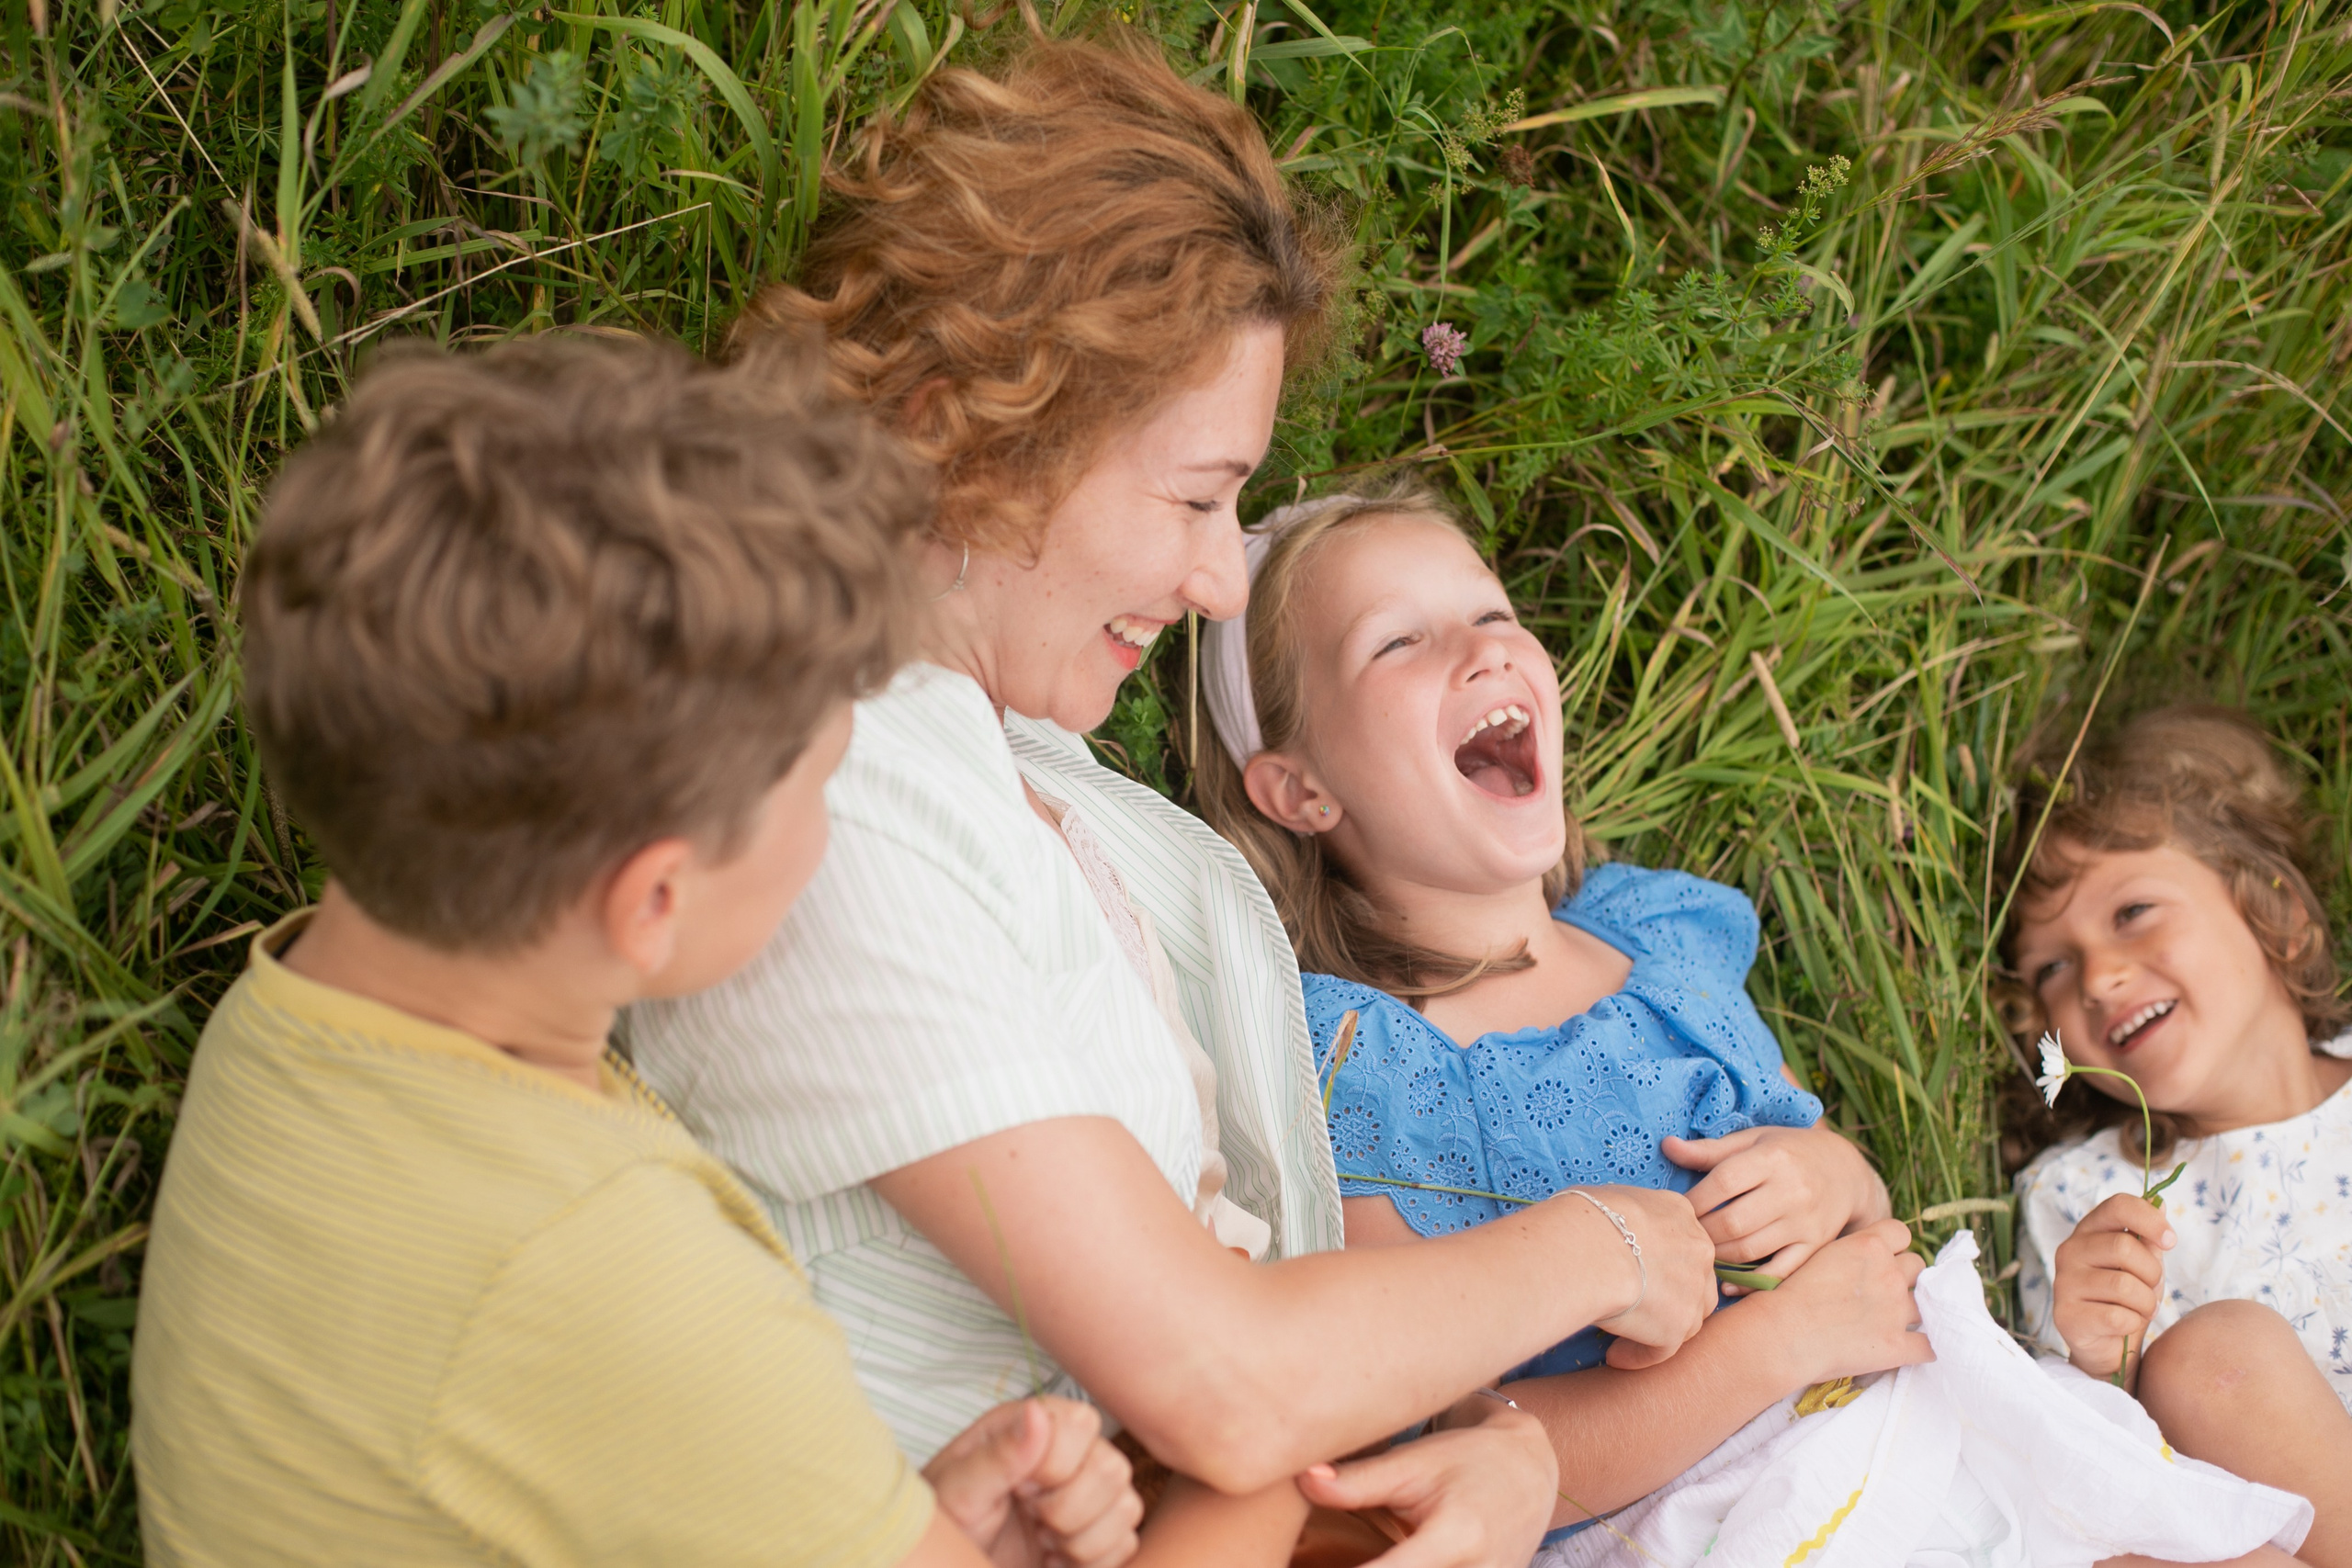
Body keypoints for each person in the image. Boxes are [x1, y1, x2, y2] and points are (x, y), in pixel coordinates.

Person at [626, 35, 1721, 1568]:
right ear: (969, 432)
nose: (1220, 578)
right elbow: (1218, 1380)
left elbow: (1243, 1391)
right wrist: (1606, 1242)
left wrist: (1490, 1459)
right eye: (1199, 496)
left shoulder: (1039, 777)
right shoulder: (822, 794)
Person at [130, 335, 1142, 1568]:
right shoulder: (613, 1267)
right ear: (654, 897)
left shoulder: (302, 1013)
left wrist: (883, 1516)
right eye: (827, 779)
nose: (834, 826)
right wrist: (1257, 1492)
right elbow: (604, 1353)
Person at [1198, 494, 2318, 1568]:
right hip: (1731, 1516)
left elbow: (1850, 1185)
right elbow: (1456, 1438)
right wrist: (1771, 1347)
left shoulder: (1659, 945)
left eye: (1492, 612)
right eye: (1399, 643)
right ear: (1299, 791)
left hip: (1943, 1416)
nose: (1483, 649)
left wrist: (1827, 1174)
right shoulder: (1364, 1062)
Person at [2007, 705, 2352, 1568]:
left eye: (2132, 911)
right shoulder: (2078, 1194)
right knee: (2209, 1368)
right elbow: (2083, 1468)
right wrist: (2099, 1358)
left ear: (2272, 908)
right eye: (2052, 966)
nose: (2099, 976)